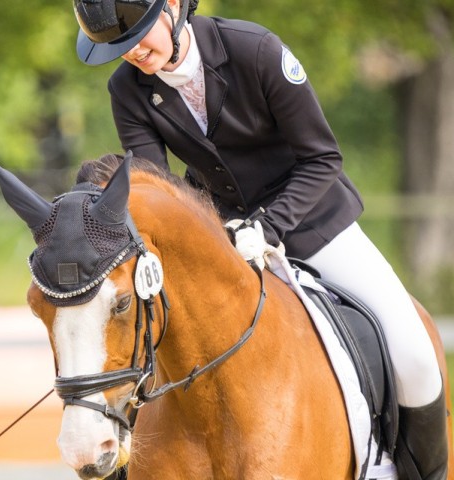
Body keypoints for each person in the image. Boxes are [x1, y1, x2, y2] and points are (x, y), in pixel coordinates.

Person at [72, 0, 448, 478]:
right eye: (119, 48)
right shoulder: (127, 89)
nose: (132, 54)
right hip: (222, 240)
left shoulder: (255, 50)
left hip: (315, 224)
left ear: (171, 6)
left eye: (138, 37)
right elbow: (160, 189)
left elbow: (322, 158)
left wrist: (266, 228)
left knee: (414, 354)